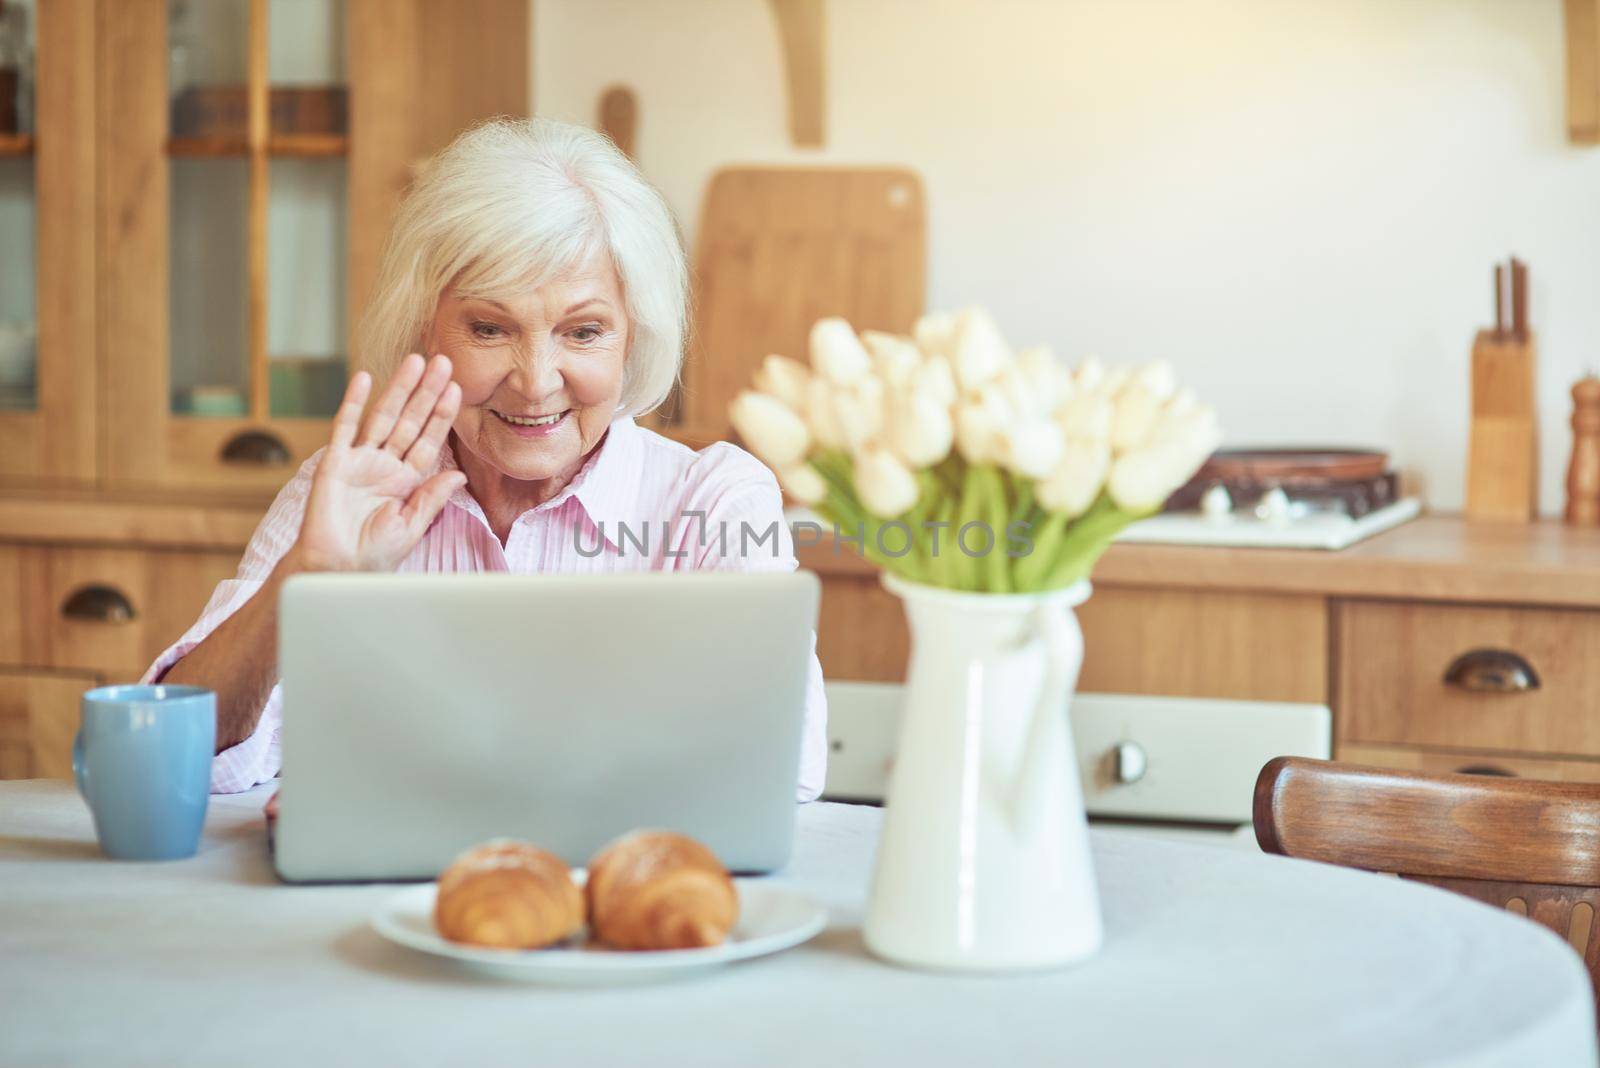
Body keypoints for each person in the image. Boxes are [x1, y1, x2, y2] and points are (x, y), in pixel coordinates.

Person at [145, 118, 827, 801]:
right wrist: (302, 581)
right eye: (489, 329)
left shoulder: (711, 501)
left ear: (632, 337)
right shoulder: (351, 494)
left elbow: (778, 766)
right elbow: (165, 757)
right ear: (423, 326)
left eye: (583, 331)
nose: (536, 380)